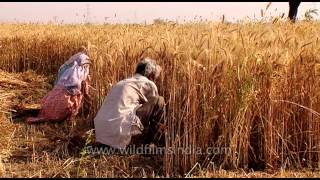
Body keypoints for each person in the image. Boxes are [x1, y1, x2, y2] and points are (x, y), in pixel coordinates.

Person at [94, 58, 166, 150]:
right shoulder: (148, 83)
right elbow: (154, 108)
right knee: (159, 101)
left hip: (101, 132)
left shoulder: (122, 82)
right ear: (151, 75)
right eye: (155, 78)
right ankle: (151, 145)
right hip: (119, 132)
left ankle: (111, 142)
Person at [26, 52, 91, 124]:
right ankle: (64, 116)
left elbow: (57, 84)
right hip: (65, 102)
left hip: (53, 98)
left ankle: (49, 113)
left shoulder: (67, 70)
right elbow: (77, 90)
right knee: (72, 101)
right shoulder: (79, 74)